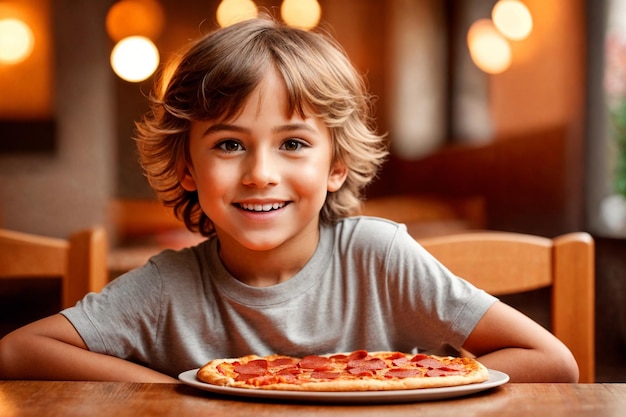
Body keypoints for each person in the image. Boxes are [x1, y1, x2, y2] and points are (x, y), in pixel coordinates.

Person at [0, 16, 578, 383]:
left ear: (336, 165)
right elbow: (18, 351)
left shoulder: (378, 256)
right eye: (229, 144)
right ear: (187, 168)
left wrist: (410, 386)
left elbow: (554, 362)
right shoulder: (166, 286)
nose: (260, 174)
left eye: (293, 143)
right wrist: (181, 389)